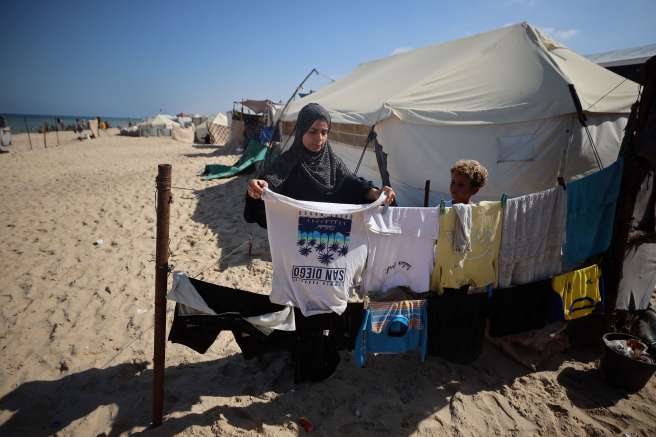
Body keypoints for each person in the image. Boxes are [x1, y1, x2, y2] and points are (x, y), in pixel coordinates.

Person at [244, 102, 395, 227]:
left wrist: (374, 193)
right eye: (312, 131)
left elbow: (352, 185)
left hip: (331, 237)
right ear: (301, 130)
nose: (319, 138)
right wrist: (257, 188)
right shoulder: (287, 162)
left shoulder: (332, 161)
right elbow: (270, 182)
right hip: (295, 239)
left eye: (324, 132)